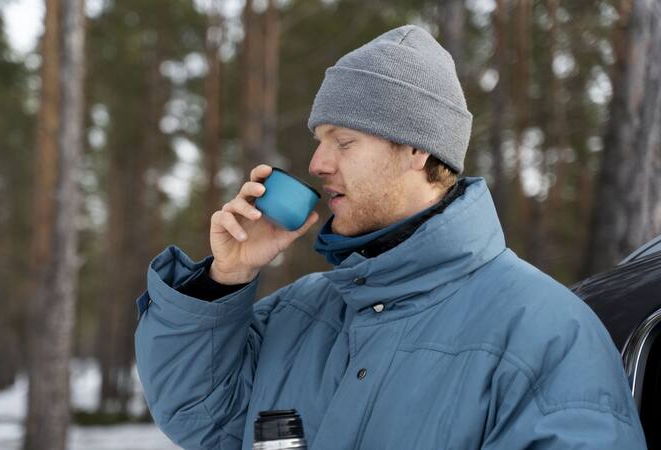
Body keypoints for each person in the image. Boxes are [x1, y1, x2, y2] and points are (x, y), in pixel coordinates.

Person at [134, 25, 646, 449]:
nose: (317, 163)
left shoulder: (546, 334)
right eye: (320, 141)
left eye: (345, 141)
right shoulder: (300, 314)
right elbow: (198, 415)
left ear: (417, 150)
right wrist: (226, 279)